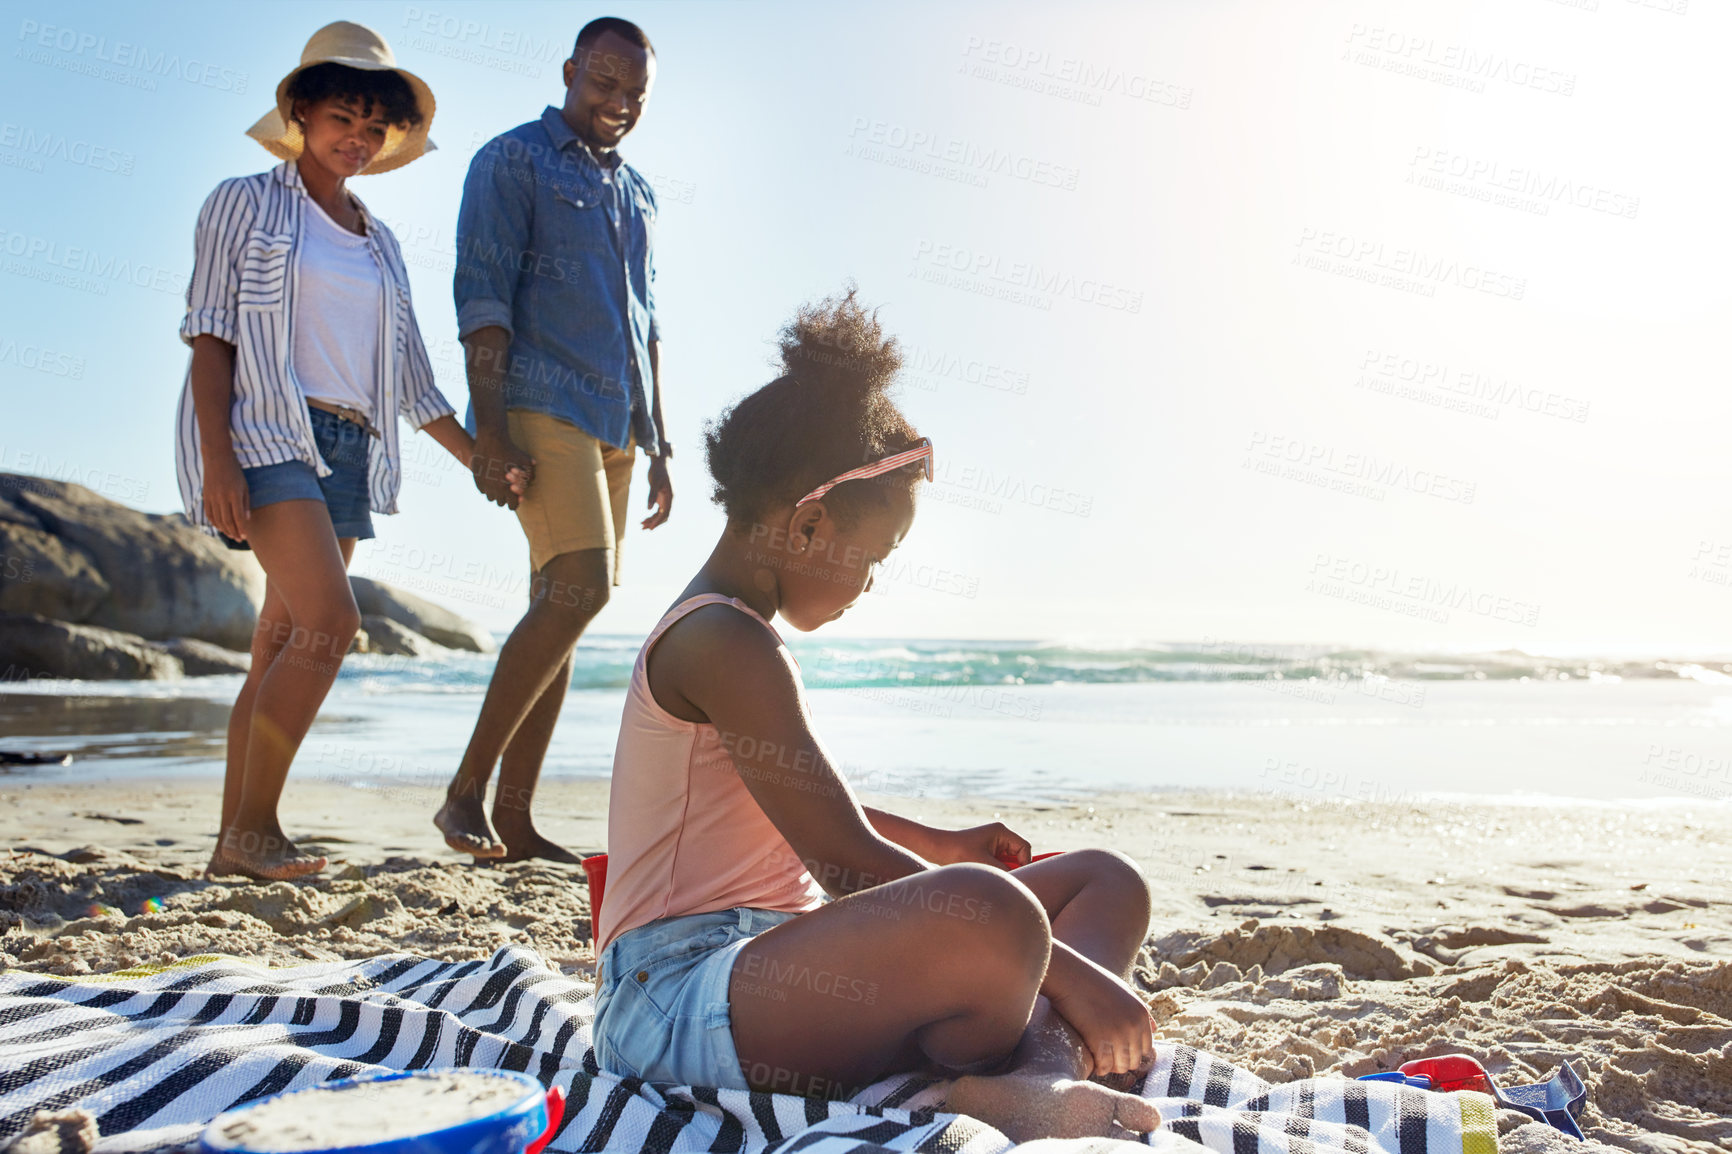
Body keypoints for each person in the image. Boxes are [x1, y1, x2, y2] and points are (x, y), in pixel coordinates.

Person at [589, 291, 1161, 1143]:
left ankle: (1030, 1076)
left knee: (1103, 880)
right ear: (812, 524)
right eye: (877, 559)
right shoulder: (720, 641)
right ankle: (1027, 1051)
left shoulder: (738, 633)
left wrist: (940, 847)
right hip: (674, 1002)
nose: (870, 586)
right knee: (997, 917)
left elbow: (790, 811)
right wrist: (1069, 975)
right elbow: (846, 859)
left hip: (778, 955)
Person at [174, 21, 515, 880]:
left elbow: (412, 380)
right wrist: (218, 460)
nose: (356, 140)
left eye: (374, 128)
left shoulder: (382, 243)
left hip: (352, 450)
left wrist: (480, 456)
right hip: (269, 432)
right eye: (341, 119)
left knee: (279, 647)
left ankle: (232, 844)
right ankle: (254, 831)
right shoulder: (243, 201)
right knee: (333, 624)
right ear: (299, 111)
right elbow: (211, 336)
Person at [436, 16, 673, 862]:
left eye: (634, 93)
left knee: (561, 607)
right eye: (604, 84)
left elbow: (645, 321)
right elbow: (483, 300)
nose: (617, 103)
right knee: (583, 588)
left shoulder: (636, 191)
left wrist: (661, 444)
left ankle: (519, 816)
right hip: (538, 403)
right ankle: (464, 793)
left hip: (617, 425)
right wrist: (488, 429)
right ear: (571, 70)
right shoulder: (510, 160)